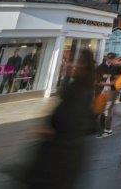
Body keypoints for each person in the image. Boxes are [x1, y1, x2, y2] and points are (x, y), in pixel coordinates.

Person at [21, 48, 96, 187]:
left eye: (74, 61)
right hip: (62, 155)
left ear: (84, 66)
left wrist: (45, 132)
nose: (68, 64)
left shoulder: (80, 90)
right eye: (68, 60)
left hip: (61, 157)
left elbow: (71, 123)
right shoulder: (78, 87)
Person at [94, 52, 121, 137]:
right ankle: (100, 126)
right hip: (101, 90)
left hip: (112, 91)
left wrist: (107, 83)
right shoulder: (101, 67)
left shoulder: (118, 67)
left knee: (108, 109)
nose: (111, 60)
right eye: (109, 58)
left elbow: (119, 79)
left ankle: (107, 129)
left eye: (112, 59)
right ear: (107, 58)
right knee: (100, 107)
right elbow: (97, 79)